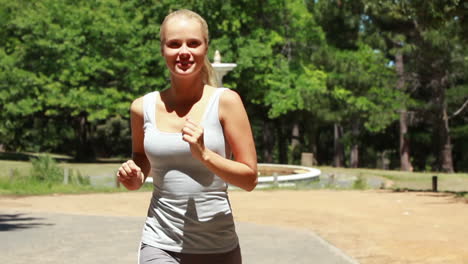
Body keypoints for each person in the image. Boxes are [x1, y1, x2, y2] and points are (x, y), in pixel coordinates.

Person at [116, 9, 258, 264]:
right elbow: (141, 158)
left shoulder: (226, 102)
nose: (184, 51)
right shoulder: (142, 107)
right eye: (174, 44)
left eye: (193, 43)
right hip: (160, 244)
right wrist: (134, 175)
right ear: (162, 50)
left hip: (219, 248)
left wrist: (205, 155)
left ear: (205, 48)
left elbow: (249, 179)